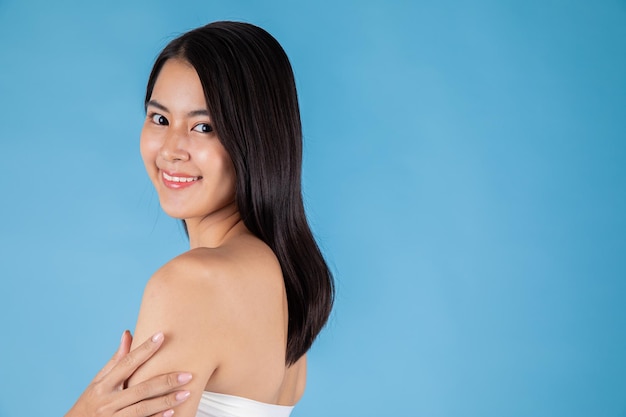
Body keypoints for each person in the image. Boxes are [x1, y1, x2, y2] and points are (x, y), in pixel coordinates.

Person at [68, 21, 334, 417]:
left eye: (203, 127)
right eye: (159, 119)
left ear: (255, 140)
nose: (172, 149)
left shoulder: (192, 283)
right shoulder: (283, 281)